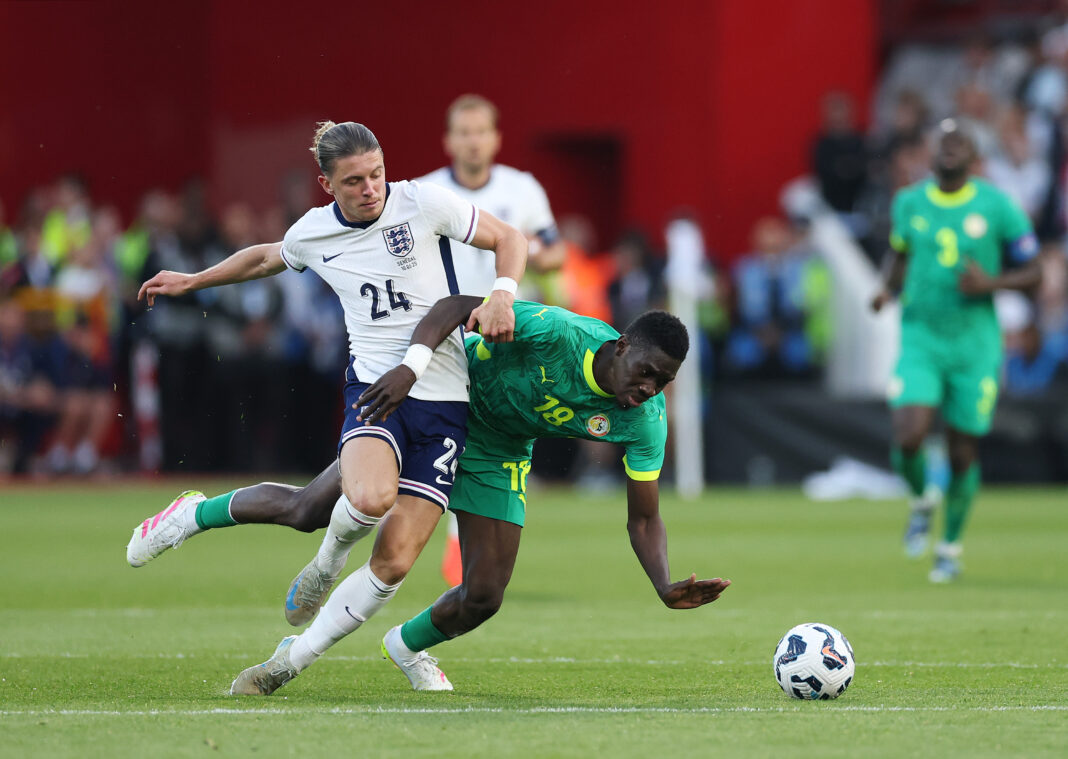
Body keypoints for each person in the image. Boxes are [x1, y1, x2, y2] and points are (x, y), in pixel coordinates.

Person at [126, 296, 731, 694]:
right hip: (443, 405)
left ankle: (406, 646)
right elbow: (452, 307)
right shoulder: (558, 333)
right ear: (622, 346)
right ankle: (191, 516)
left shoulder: (644, 421)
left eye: (664, 383)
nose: (649, 390)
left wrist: (662, 584)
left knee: (485, 596)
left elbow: (645, 519)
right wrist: (414, 369)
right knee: (308, 509)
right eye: (646, 372)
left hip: (498, 452)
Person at [127, 120, 527, 674]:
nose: (371, 189)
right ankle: (259, 537)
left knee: (386, 558)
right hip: (375, 387)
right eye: (355, 181)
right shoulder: (314, 232)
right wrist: (194, 280)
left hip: (447, 402)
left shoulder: (423, 203)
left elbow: (511, 238)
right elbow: (267, 256)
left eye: (377, 174)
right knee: (367, 501)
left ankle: (292, 653)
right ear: (326, 185)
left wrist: (504, 294)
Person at [871, 120, 1042, 583]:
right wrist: (886, 290)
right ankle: (923, 498)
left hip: (974, 346)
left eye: (960, 142)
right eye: (942, 142)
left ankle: (949, 547)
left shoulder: (997, 205)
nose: (950, 148)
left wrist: (991, 283)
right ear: (931, 154)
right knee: (908, 435)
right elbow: (901, 255)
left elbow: (1035, 271)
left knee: (962, 450)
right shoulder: (909, 202)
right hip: (922, 339)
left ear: (974, 156)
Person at [418, 93, 566, 586]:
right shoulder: (427, 191)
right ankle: (459, 539)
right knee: (453, 433)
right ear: (448, 140)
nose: (473, 141)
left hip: (503, 331)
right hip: (445, 328)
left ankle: (467, 540)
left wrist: (525, 250)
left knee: (490, 435)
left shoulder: (522, 190)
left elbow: (556, 251)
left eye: (481, 131)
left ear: (495, 138)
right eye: (463, 132)